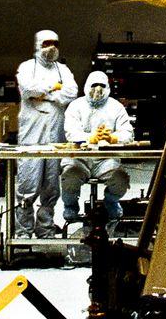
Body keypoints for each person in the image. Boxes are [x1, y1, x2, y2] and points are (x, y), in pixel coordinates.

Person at [14, 29, 78, 238]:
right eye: (47, 43)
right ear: (38, 44)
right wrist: (54, 89)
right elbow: (28, 89)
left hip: (55, 139)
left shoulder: (63, 70)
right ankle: (24, 231)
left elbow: (71, 92)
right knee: (28, 183)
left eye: (55, 43)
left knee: (51, 186)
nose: (52, 48)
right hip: (31, 139)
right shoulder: (27, 67)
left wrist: (45, 95)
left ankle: (45, 228)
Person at [60, 71, 134, 227]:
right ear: (87, 86)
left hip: (106, 159)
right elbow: (70, 132)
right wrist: (90, 138)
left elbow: (128, 132)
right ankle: (71, 206)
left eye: (102, 86)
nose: (98, 89)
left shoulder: (116, 107)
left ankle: (110, 202)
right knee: (70, 178)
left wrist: (113, 138)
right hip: (79, 158)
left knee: (121, 179)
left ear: (108, 87)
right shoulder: (76, 106)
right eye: (94, 85)